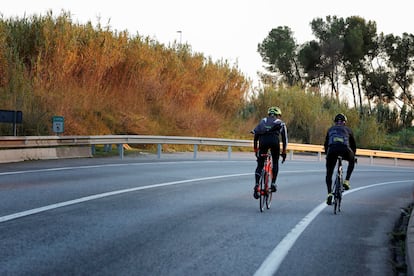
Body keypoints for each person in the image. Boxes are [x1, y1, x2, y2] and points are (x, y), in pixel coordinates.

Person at [251, 106, 288, 199]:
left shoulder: (263, 121)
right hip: (274, 141)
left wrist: (256, 149)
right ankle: (273, 183)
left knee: (260, 165)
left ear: (269, 114)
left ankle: (256, 185)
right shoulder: (281, 123)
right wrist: (284, 152)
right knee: (275, 162)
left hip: (262, 141)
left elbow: (256, 135)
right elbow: (284, 139)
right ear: (278, 115)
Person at [324, 113, 357, 205]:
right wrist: (353, 156)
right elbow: (353, 146)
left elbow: (326, 144)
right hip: (345, 149)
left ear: (335, 122)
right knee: (352, 160)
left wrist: (327, 155)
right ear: (344, 122)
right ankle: (346, 181)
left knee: (329, 174)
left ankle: (329, 193)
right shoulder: (348, 130)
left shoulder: (330, 129)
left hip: (332, 150)